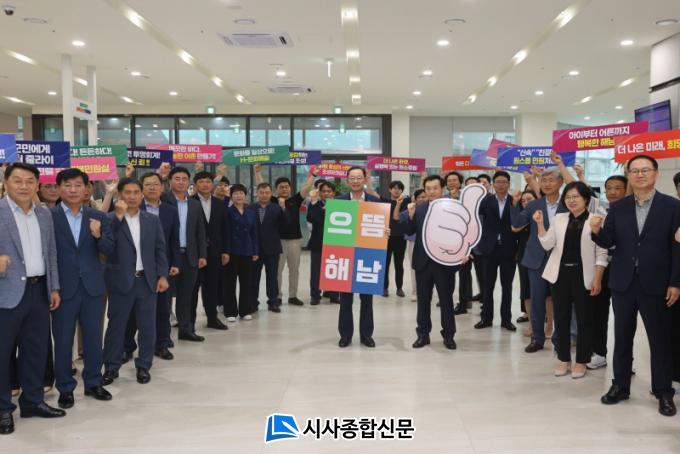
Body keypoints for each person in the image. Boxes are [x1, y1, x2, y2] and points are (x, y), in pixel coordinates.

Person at [591, 155, 680, 417]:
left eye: (645, 170)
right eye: (635, 171)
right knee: (621, 337)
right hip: (623, 283)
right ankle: (620, 385)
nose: (640, 174)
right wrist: (596, 231)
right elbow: (609, 241)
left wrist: (675, 282)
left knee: (659, 340)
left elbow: (677, 249)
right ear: (629, 175)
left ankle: (663, 391)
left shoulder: (672, 206)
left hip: (658, 283)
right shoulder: (618, 207)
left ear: (656, 174)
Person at [0, 163, 65, 435]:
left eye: (29, 181)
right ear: (5, 182)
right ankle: (3, 409)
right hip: (6, 293)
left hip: (39, 291)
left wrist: (54, 287)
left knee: (36, 350)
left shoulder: (43, 214)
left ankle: (32, 401)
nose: (24, 186)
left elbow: (50, 253)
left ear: (37, 185)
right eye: (17, 180)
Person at [50, 168, 114, 410]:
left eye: (78, 185)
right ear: (59, 188)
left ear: (87, 188)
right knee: (63, 340)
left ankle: (93, 382)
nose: (73, 189)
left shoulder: (97, 216)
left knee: (93, 338)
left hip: (92, 287)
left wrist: (98, 236)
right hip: (62, 289)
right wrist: (52, 286)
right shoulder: (49, 216)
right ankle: (65, 388)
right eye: (67, 185)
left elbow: (109, 249)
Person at [535, 181, 607, 378]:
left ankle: (582, 361)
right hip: (560, 275)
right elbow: (547, 244)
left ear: (586, 199)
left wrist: (598, 279)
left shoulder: (596, 219)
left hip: (585, 275)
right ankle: (563, 359)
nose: (572, 200)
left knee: (585, 320)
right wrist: (540, 224)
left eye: (576, 197)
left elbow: (602, 252)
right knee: (561, 318)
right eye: (568, 197)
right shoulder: (558, 218)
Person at [102, 178, 169, 387]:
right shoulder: (110, 219)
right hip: (120, 281)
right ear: (120, 195)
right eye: (127, 192)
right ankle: (111, 367)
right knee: (116, 326)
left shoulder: (152, 220)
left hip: (146, 281)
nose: (131, 197)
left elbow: (160, 249)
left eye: (135, 192)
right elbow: (105, 247)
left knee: (147, 326)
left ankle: (144, 365)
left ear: (142, 195)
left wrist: (162, 275)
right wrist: (118, 217)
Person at [124, 172, 181, 362]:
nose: (152, 187)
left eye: (155, 184)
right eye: (147, 184)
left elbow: (174, 239)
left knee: (163, 309)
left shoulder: (170, 210)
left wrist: (175, 263)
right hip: (138, 268)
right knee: (132, 311)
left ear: (162, 187)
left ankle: (161, 344)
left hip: (162, 267)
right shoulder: (132, 207)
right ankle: (127, 346)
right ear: (141, 189)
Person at [511, 167, 567, 353]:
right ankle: (537, 338)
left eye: (551, 180)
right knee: (537, 300)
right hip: (536, 259)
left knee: (561, 300)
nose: (547, 184)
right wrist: (515, 204)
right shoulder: (534, 204)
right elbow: (516, 225)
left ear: (560, 183)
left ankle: (560, 339)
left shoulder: (568, 203)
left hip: (561, 259)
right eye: (544, 180)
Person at [405, 175, 462, 350]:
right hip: (423, 262)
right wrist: (410, 216)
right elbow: (410, 231)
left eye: (435, 188)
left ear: (442, 189)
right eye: (428, 188)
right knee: (423, 301)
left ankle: (449, 335)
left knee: (446, 301)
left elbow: (460, 232)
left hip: (444, 263)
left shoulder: (453, 208)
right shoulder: (419, 208)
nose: (431, 192)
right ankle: (423, 335)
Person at [254, 164, 315, 306]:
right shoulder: (272, 201)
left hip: (295, 241)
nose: (284, 189)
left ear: (290, 188)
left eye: (287, 186)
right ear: (276, 190)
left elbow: (306, 188)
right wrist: (257, 173)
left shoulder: (295, 200)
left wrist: (313, 175)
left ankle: (293, 296)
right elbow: (262, 187)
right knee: (277, 271)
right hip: (278, 241)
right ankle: (277, 296)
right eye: (281, 187)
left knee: (294, 270)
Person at [336, 166, 383, 348]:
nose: (355, 181)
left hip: (367, 253)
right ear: (347, 180)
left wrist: (385, 231)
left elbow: (382, 226)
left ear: (365, 179)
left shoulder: (374, 201)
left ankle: (366, 335)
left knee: (367, 299)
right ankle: (345, 335)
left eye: (359, 178)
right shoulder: (338, 201)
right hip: (345, 254)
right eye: (352, 178)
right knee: (345, 299)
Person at [587, 175, 627, 370]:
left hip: (624, 268)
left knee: (624, 318)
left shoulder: (632, 211)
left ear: (626, 190)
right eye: (609, 188)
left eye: (618, 188)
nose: (613, 192)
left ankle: (626, 360)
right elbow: (578, 188)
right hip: (601, 267)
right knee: (598, 312)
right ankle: (599, 353)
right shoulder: (599, 208)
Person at [162, 167, 207, 342]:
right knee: (165, 298)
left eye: (184, 179)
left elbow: (200, 232)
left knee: (186, 295)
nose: (181, 182)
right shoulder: (163, 200)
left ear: (189, 182)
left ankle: (185, 330)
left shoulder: (194, 204)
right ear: (170, 181)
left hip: (190, 256)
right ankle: (164, 335)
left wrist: (202, 255)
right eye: (177, 178)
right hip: (168, 257)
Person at [474, 171, 518, 332]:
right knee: (487, 286)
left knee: (507, 286)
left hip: (508, 249)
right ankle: (486, 318)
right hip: (489, 250)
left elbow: (518, 224)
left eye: (504, 182)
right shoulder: (485, 201)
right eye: (498, 182)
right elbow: (477, 223)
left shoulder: (514, 201)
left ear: (509, 184)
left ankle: (506, 320)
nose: (501, 185)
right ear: (493, 184)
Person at [191, 171, 229, 331]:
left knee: (212, 287)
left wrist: (225, 251)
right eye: (201, 181)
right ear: (195, 185)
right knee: (192, 288)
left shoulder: (220, 204)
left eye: (208, 181)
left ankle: (212, 319)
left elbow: (225, 229)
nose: (205, 184)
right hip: (194, 253)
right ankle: (189, 322)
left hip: (214, 252)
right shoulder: (189, 202)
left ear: (212, 184)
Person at [368, 180, 409, 297]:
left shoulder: (406, 202)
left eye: (399, 188)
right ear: (390, 190)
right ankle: (384, 288)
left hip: (400, 237)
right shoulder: (384, 201)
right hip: (386, 237)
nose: (396, 190)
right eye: (394, 188)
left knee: (399, 265)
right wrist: (368, 178)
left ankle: (399, 288)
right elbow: (371, 192)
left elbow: (419, 195)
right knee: (385, 264)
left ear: (402, 190)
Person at [224, 184, 258, 321]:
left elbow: (254, 233)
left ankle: (245, 310)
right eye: (236, 193)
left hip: (247, 250)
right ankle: (230, 312)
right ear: (231, 196)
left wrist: (255, 250)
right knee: (230, 282)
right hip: (232, 251)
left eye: (241, 193)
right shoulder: (227, 211)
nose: (239, 196)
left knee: (246, 282)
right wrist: (225, 251)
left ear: (245, 195)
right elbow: (225, 232)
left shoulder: (251, 212)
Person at [250, 182, 285, 312]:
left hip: (272, 248)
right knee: (253, 278)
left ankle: (273, 301)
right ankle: (253, 302)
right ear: (257, 194)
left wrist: (284, 209)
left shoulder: (277, 208)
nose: (264, 195)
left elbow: (286, 224)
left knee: (272, 277)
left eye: (267, 193)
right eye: (262, 192)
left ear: (271, 194)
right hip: (255, 250)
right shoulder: (250, 208)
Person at [307, 181, 338, 305]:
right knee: (316, 271)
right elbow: (311, 218)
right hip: (318, 243)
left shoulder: (340, 204)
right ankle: (315, 295)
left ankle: (334, 295)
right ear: (319, 193)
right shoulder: (315, 203)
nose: (326, 193)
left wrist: (331, 209)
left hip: (336, 243)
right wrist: (320, 209)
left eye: (329, 191)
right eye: (323, 191)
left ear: (333, 193)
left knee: (335, 269)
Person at [511, 190, 537, 332]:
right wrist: (515, 204)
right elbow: (514, 228)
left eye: (529, 199)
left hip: (541, 256)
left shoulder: (541, 215)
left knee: (546, 293)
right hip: (524, 256)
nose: (526, 203)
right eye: (523, 201)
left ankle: (548, 324)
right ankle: (532, 324)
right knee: (526, 290)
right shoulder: (521, 216)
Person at [403, 189, 427, 302]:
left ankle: (428, 290)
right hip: (413, 242)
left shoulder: (433, 208)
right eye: (419, 197)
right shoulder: (412, 209)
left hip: (430, 242)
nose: (422, 199)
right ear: (415, 199)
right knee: (415, 267)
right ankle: (415, 291)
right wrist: (410, 213)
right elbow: (398, 217)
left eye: (424, 197)